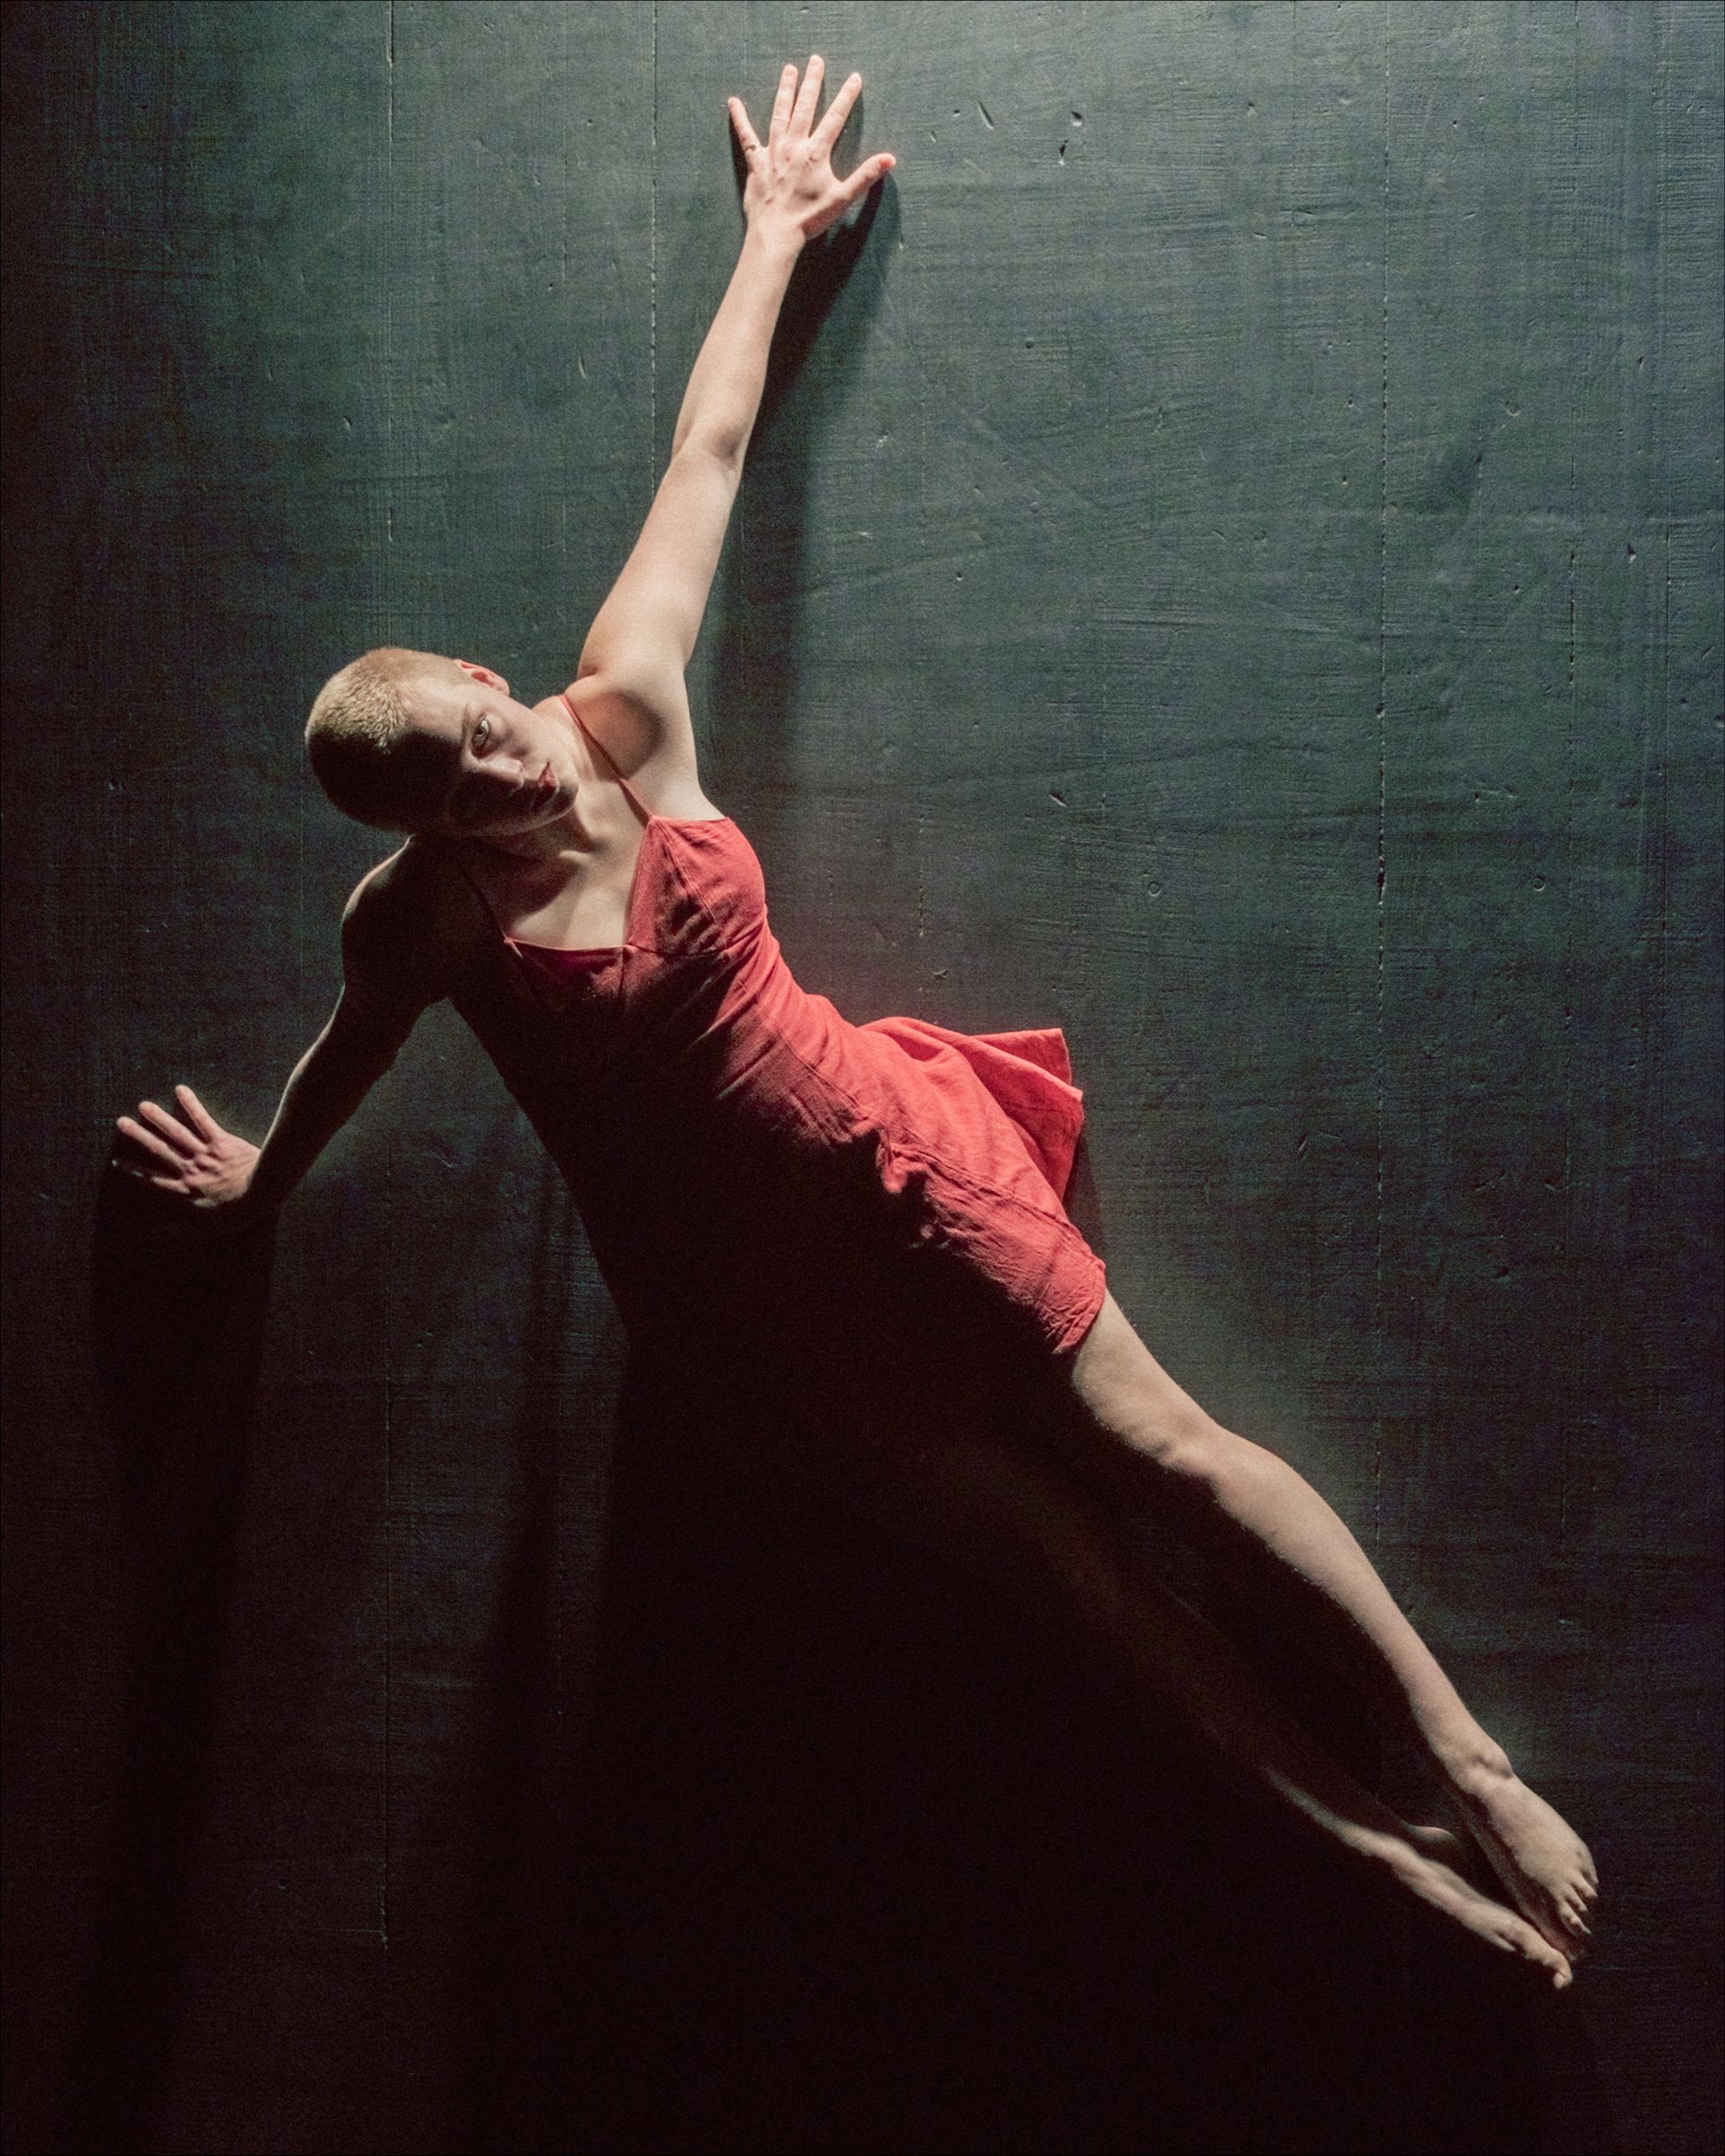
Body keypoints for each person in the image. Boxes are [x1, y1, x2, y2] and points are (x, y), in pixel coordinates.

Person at [112, 56, 1597, 1991]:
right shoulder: (422, 925)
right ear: (419, 829)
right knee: (1079, 1592)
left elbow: (709, 457)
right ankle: (1379, 1852)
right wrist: (265, 1181)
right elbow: (350, 1052)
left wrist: (770, 237)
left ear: (485, 677)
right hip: (748, 1310)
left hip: (896, 1168)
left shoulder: (620, 704)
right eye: (462, 790)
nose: (506, 777)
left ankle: (1466, 1760)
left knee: (1172, 1454)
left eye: (487, 733)